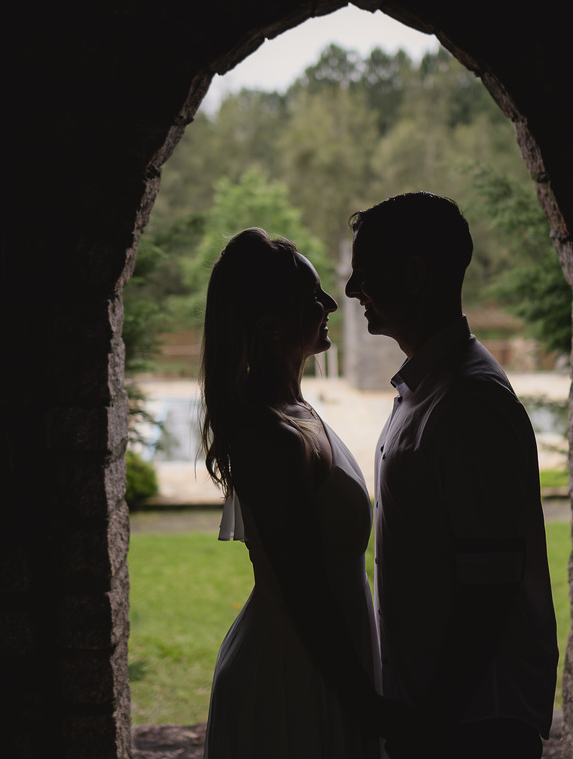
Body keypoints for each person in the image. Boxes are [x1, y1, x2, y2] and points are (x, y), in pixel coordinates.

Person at [345, 192, 559, 759]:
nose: (350, 290)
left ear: (414, 275)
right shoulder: (432, 388)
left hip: (471, 725)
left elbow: (489, 588)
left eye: (364, 273)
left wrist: (430, 724)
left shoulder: (467, 404)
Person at [200, 228, 385, 758]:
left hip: (325, 664)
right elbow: (303, 589)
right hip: (295, 674)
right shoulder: (268, 436)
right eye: (312, 297)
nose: (330, 303)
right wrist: (363, 702)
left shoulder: (297, 413)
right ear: (270, 326)